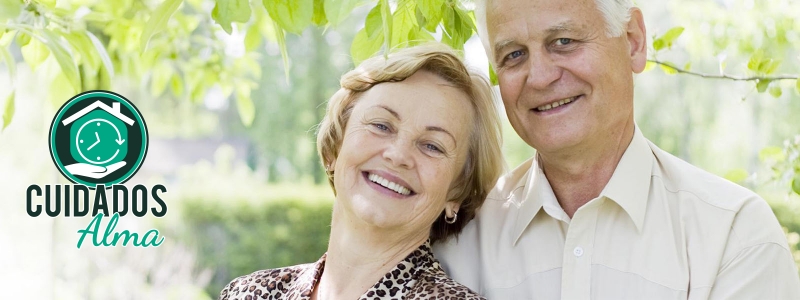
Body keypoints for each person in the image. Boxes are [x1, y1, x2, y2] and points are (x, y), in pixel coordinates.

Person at [432, 0, 800, 299]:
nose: (540, 77)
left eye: (564, 41)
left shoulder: (733, 234)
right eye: (514, 55)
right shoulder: (459, 236)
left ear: (633, 41)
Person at [218, 43, 504, 300]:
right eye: (381, 125)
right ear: (334, 147)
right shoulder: (247, 293)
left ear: (457, 191)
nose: (398, 155)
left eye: (432, 146)